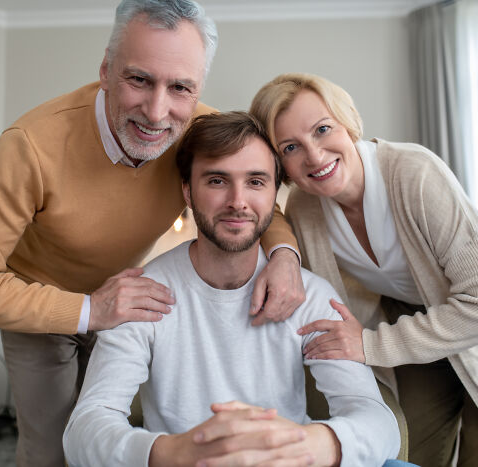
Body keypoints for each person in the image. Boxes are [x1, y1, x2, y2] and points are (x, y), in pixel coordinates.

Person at [0, 2, 305, 465]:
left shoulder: (199, 130)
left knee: (115, 440)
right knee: (52, 449)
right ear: (106, 70)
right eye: (139, 80)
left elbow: (259, 192)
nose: (156, 111)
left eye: (180, 88)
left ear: (198, 88)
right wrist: (89, 309)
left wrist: (286, 255)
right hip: (38, 303)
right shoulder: (29, 146)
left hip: (126, 298)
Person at [63, 111, 404, 467]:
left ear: (274, 193)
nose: (237, 201)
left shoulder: (308, 295)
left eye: (255, 182)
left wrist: (311, 445)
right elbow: (83, 430)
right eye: (216, 181)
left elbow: (379, 423)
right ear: (188, 192)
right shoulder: (143, 296)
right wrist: (172, 453)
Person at [249, 72, 478, 467]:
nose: (315, 155)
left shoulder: (414, 173)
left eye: (323, 129)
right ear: (281, 165)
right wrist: (283, 256)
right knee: (409, 453)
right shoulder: (306, 209)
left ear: (347, 120)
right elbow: (265, 210)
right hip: (411, 322)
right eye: (291, 147)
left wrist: (370, 345)